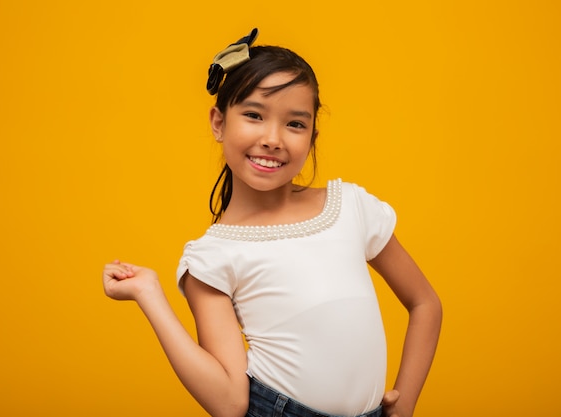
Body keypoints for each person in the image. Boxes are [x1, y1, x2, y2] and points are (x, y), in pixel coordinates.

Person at [103, 28, 442, 417]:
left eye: (295, 124)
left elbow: (425, 303)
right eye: (253, 115)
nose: (272, 138)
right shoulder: (212, 257)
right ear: (218, 122)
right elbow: (229, 403)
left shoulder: (350, 206)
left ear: (313, 136)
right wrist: (150, 295)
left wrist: (407, 402)